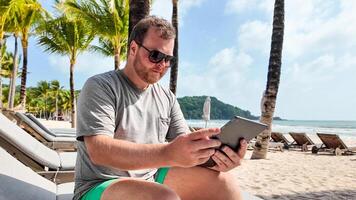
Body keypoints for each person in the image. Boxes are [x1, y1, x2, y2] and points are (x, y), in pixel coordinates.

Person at [73, 16, 248, 200]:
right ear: (133, 48)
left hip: (151, 176)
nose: (162, 65)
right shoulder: (101, 86)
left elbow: (186, 149)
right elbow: (99, 151)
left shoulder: (167, 97)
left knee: (224, 182)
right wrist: (168, 152)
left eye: (168, 59)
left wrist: (218, 159)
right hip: (100, 184)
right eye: (156, 56)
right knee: (162, 197)